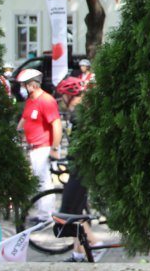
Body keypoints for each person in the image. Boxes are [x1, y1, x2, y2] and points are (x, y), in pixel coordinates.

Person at [54, 76, 105, 262]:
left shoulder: (78, 115)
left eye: (62, 96)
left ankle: (96, 245)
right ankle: (79, 253)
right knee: (78, 213)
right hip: (80, 169)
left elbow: (82, 145)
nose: (61, 100)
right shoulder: (80, 113)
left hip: (81, 171)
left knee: (69, 213)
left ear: (69, 95)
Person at [16, 69, 63, 221]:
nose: (22, 88)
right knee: (38, 180)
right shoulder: (31, 100)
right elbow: (24, 119)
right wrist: (16, 132)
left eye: (24, 85)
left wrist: (54, 148)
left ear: (32, 85)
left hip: (44, 147)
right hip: (33, 147)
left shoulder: (46, 101)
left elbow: (57, 125)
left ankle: (46, 216)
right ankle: (42, 213)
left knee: (44, 181)